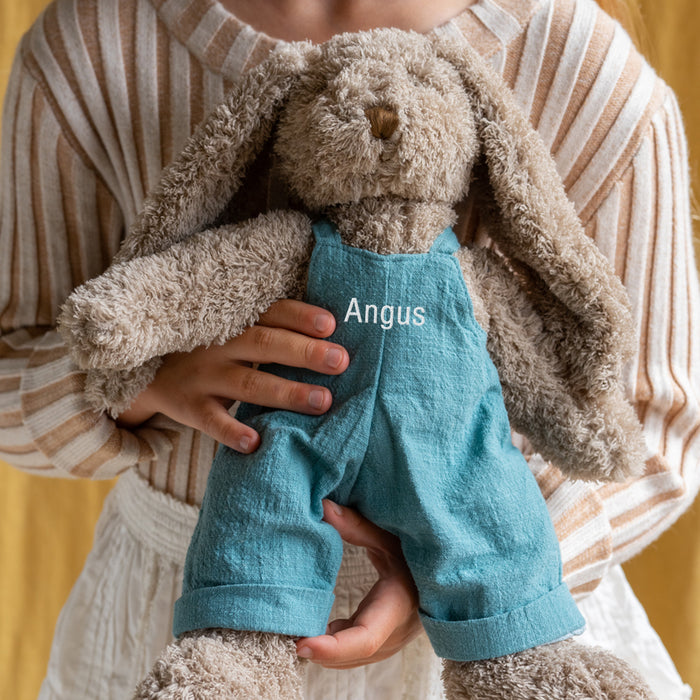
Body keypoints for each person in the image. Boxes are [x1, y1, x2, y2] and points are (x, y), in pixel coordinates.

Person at [0, 0, 697, 697]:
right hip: (198, 607)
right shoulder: (92, 49)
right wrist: (138, 382)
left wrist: (473, 571)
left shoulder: (582, 67)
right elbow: (13, 360)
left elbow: (661, 427)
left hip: (505, 627)